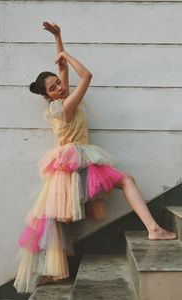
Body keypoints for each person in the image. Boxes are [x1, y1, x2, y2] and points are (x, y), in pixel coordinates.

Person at [13, 21, 177, 294]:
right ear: (47, 96)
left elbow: (62, 70)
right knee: (124, 182)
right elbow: (86, 76)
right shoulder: (65, 105)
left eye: (58, 84)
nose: (60, 87)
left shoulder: (58, 103)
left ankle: (52, 271)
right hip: (77, 161)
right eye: (54, 87)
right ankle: (153, 229)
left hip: (72, 162)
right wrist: (65, 55)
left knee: (53, 219)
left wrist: (58, 39)